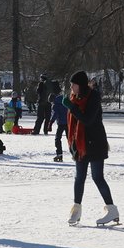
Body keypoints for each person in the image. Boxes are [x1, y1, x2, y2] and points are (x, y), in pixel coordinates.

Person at [62, 70, 119, 226]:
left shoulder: (93, 97)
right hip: (80, 145)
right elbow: (72, 124)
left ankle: (112, 209)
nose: (71, 87)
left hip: (95, 143)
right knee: (79, 177)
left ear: (80, 85)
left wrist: (72, 107)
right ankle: (76, 210)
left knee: (97, 177)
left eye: (73, 84)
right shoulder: (75, 98)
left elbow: (87, 119)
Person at [51, 88, 69, 162]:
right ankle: (76, 153)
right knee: (70, 139)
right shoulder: (65, 101)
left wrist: (51, 122)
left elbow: (56, 114)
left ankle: (59, 154)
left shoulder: (56, 105)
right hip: (69, 123)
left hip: (61, 124)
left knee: (57, 139)